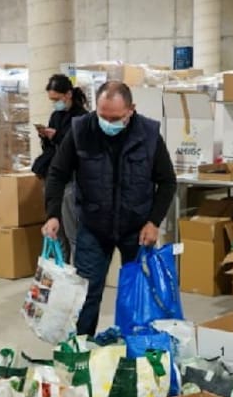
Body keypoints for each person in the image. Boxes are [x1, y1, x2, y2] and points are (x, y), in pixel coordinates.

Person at [44, 80, 177, 338]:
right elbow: (57, 174)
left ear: (131, 110)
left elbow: (167, 181)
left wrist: (154, 221)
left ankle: (135, 348)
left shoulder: (149, 135)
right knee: (86, 295)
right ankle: (82, 348)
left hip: (136, 229)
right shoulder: (81, 130)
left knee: (137, 294)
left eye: (115, 118)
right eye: (102, 116)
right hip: (94, 227)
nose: (107, 123)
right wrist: (52, 214)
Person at [32, 74, 89, 261]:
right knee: (57, 232)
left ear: (68, 94)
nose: (55, 103)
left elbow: (77, 148)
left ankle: (78, 270)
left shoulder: (82, 118)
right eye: (52, 100)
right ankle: (60, 268)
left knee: (73, 232)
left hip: (71, 180)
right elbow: (51, 149)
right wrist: (45, 136)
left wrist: (56, 136)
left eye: (57, 99)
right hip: (54, 177)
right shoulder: (56, 116)